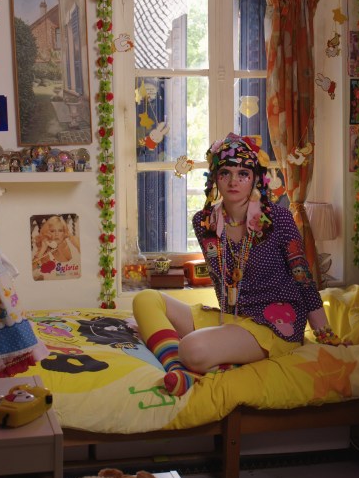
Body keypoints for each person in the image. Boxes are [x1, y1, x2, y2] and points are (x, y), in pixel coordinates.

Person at [133, 133, 344, 396]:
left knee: (191, 347)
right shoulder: (204, 223)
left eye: (243, 173)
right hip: (233, 318)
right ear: (214, 177)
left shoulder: (279, 218)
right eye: (225, 173)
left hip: (275, 325)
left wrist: (324, 334)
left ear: (255, 178)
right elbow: (220, 281)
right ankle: (180, 367)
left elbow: (304, 279)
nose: (234, 181)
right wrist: (224, 331)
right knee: (146, 299)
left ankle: (186, 364)